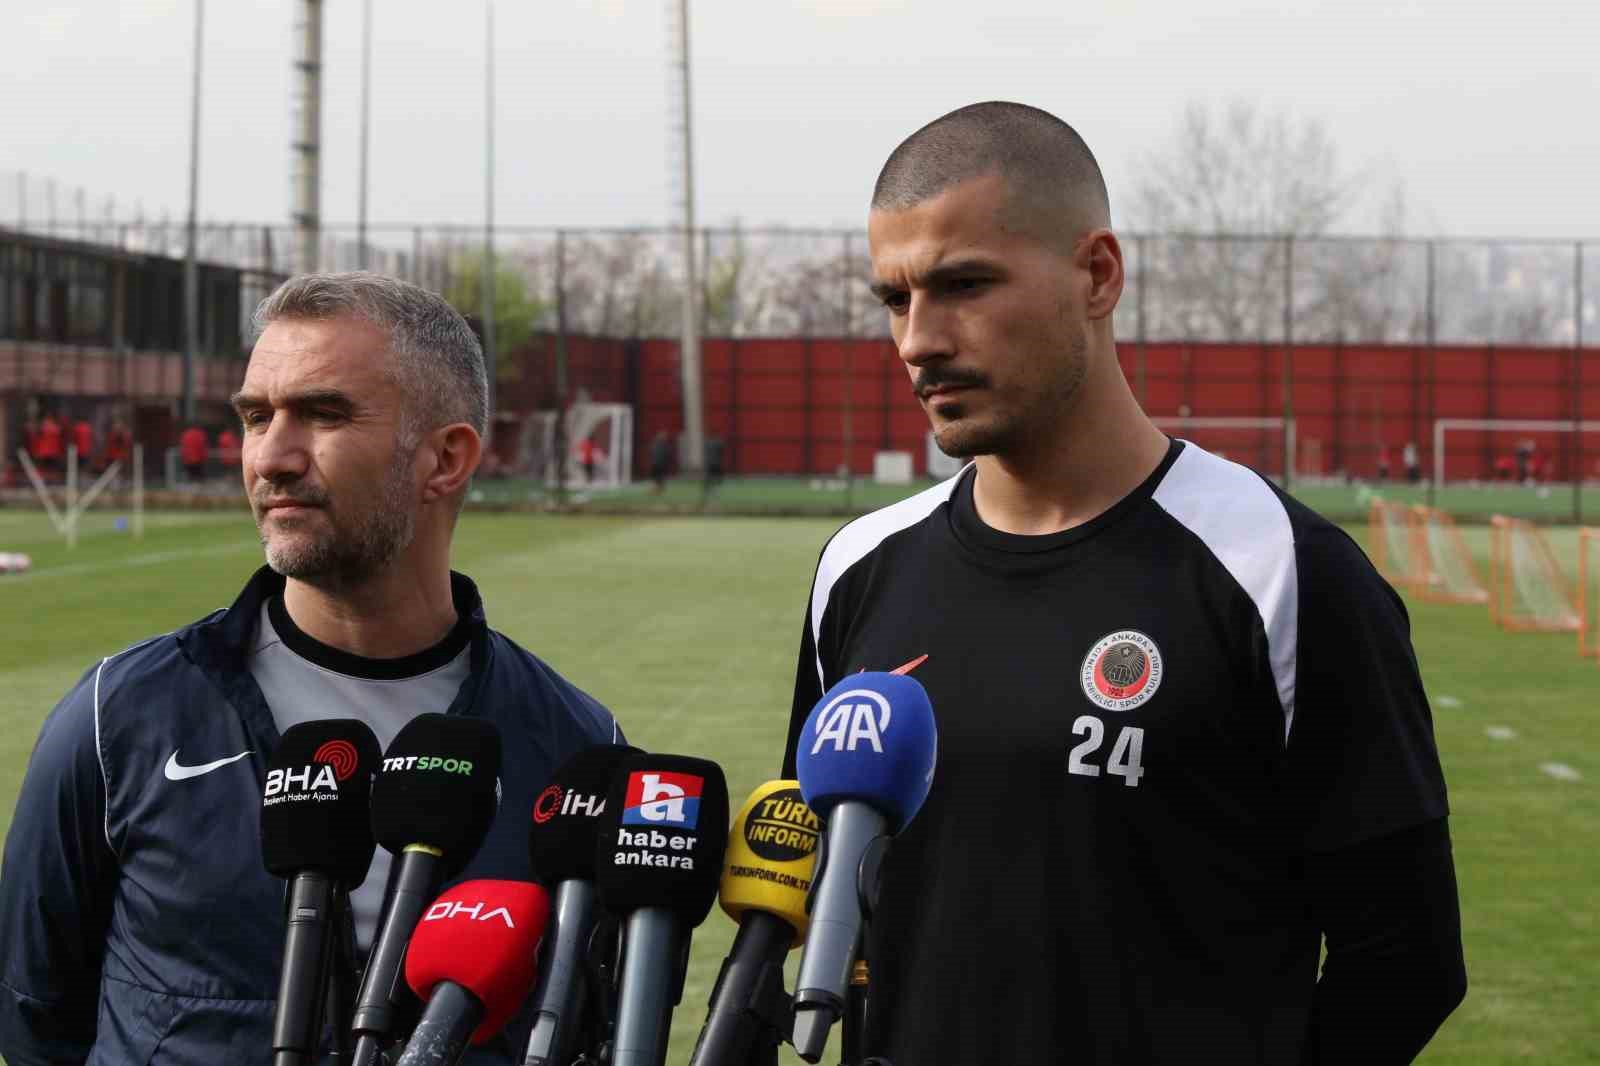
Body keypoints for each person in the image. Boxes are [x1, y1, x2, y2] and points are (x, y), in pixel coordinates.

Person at [782, 102, 1465, 1065]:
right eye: (895, 299)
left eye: (964, 284)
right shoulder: (859, 567)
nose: (917, 340)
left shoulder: (1278, 568)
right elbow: (835, 895)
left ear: (1098, 275)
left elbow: (1406, 959)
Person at [0, 272, 622, 1065]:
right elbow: (35, 1020)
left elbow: (587, 1025)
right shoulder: (114, 717)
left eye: (324, 414)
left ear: (445, 458)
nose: (272, 457)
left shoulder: (578, 746)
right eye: (257, 417)